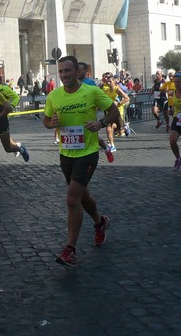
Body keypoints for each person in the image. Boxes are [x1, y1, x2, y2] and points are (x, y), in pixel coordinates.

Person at [42, 55, 119, 267]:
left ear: (77, 71)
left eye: (68, 70)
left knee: (71, 199)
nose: (64, 75)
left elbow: (114, 110)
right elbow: (46, 120)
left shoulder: (92, 91)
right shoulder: (54, 96)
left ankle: (70, 250)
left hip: (87, 153)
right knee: (82, 197)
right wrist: (52, 123)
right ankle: (100, 221)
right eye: (61, 71)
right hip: (66, 154)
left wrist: (101, 123)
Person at [0, 74, 22, 168]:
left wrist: (11, 106)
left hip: (2, 117)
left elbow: (16, 97)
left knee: (1, 138)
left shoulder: (5, 89)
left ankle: (17, 147)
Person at [100, 74, 130, 152]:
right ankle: (112, 145)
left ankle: (125, 127)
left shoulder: (117, 89)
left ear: (114, 81)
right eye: (107, 82)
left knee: (120, 132)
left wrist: (118, 103)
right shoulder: (106, 90)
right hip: (109, 112)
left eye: (110, 82)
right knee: (108, 128)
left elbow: (127, 98)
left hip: (117, 112)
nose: (108, 83)